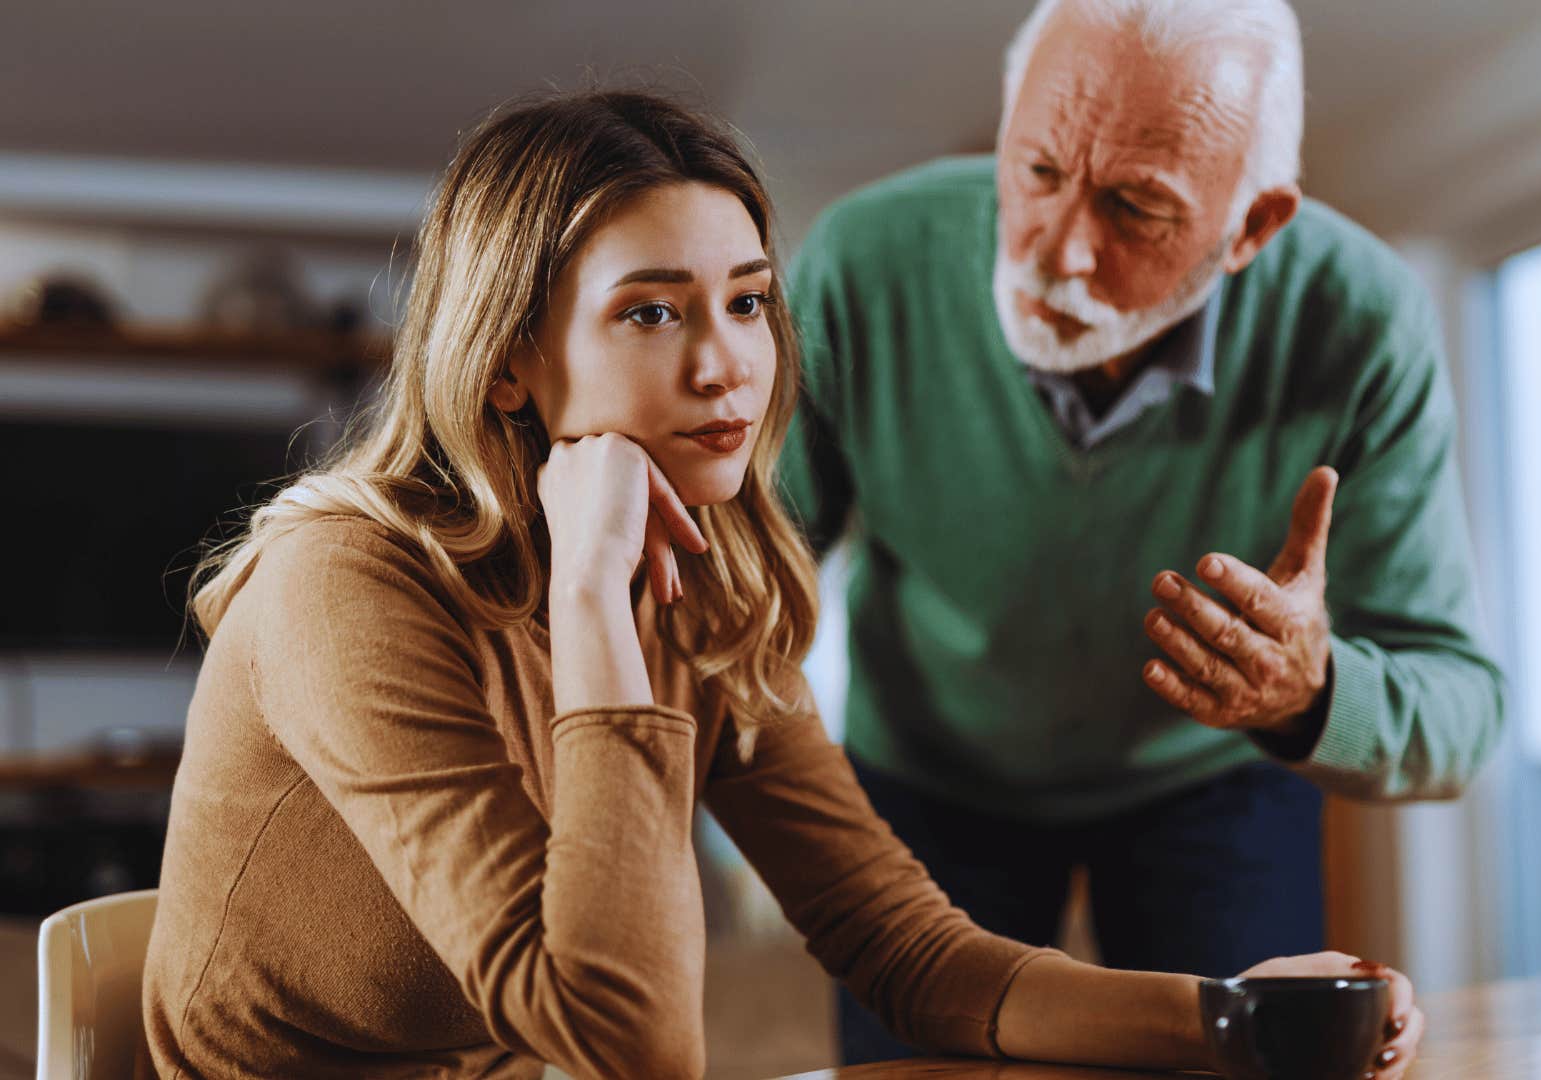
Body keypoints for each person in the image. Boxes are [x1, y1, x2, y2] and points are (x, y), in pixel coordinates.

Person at [136, 90, 1423, 1080]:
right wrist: (592, 611)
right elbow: (625, 1044)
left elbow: (908, 951)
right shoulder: (344, 580)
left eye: (747, 303)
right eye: (652, 313)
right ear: (511, 360)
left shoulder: (705, 585)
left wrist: (1234, 1018)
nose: (726, 367)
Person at [778, 0, 1505, 1062]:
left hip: (1206, 784)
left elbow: (1464, 710)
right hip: (926, 773)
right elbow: (742, 588)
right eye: (1034, 172)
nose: (1061, 250)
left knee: (1256, 1060)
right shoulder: (861, 261)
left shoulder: (1362, 320)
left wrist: (1314, 694)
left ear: (1253, 226)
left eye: (1136, 206)